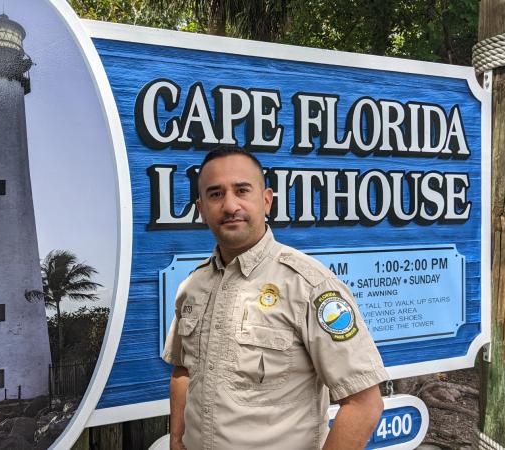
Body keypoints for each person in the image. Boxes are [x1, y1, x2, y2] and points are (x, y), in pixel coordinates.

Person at [162, 146, 389, 450]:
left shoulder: (310, 286)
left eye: (242, 190)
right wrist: (177, 440)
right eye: (215, 194)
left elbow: (364, 404)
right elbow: (182, 371)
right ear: (201, 209)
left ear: (266, 200)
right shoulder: (192, 286)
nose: (230, 205)